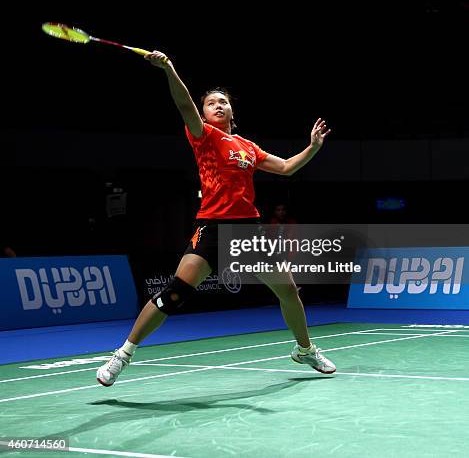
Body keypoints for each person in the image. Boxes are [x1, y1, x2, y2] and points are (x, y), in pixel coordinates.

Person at [97, 50, 335, 386]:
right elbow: (183, 105)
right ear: (205, 113)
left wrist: (312, 147)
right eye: (211, 103)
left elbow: (284, 167)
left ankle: (304, 349)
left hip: (247, 230)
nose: (218, 105)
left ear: (232, 111)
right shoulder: (203, 136)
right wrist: (168, 69)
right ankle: (123, 355)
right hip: (212, 227)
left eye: (223, 101)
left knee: (289, 291)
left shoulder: (247, 147)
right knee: (174, 294)